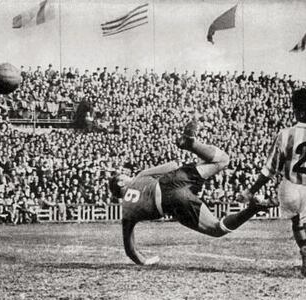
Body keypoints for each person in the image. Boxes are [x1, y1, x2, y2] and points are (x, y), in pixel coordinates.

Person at [109, 117, 273, 265]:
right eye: (122, 175)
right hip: (173, 180)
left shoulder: (126, 213)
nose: (126, 174)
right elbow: (172, 166)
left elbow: (130, 249)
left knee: (217, 229)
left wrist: (145, 261)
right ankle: (192, 144)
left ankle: (254, 208)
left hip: (171, 202)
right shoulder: (140, 176)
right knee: (222, 160)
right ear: (121, 182)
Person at [238, 88, 306, 276]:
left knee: (297, 222)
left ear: (297, 111)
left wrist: (251, 191)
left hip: (290, 187)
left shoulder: (286, 134)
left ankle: (304, 249)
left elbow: (269, 170)